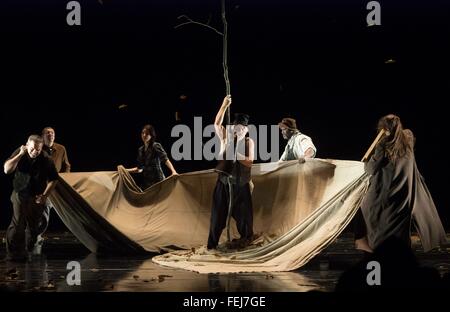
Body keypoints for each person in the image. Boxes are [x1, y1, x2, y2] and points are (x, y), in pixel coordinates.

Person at [358, 114, 446, 252]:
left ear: (383, 128)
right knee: (399, 226)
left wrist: (370, 157)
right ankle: (400, 254)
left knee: (365, 207)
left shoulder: (383, 144)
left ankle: (377, 250)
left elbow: (370, 169)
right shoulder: (409, 138)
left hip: (386, 193)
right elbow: (403, 136)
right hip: (404, 193)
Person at [207, 95, 255, 250]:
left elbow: (249, 161)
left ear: (246, 130)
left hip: (241, 185)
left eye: (241, 128)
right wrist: (224, 105)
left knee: (245, 219)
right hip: (224, 183)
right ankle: (212, 247)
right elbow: (216, 123)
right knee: (217, 218)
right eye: (236, 127)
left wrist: (235, 154)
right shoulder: (226, 138)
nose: (238, 130)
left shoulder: (248, 142)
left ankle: (246, 243)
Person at [3, 135, 58, 261]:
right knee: (18, 224)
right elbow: (7, 170)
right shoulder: (20, 152)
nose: (35, 152)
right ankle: (13, 254)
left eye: (38, 150)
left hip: (37, 195)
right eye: (32, 149)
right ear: (27, 145)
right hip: (20, 192)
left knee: (34, 226)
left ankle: (29, 250)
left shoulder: (45, 158)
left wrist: (45, 195)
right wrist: (20, 155)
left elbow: (54, 179)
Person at [36, 127, 71, 250]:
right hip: (38, 184)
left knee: (45, 212)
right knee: (38, 211)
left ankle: (35, 235)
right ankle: (34, 235)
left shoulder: (61, 148)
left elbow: (67, 165)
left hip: (53, 185)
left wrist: (64, 178)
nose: (50, 134)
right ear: (43, 135)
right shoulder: (38, 147)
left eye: (52, 133)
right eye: (47, 133)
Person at [126, 124, 177, 190]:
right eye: (143, 133)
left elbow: (165, 159)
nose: (144, 135)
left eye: (147, 134)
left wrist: (173, 171)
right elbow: (139, 169)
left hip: (158, 181)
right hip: (147, 183)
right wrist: (125, 170)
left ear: (151, 135)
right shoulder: (141, 150)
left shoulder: (155, 146)